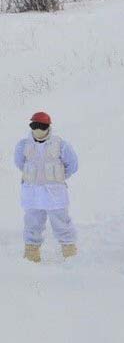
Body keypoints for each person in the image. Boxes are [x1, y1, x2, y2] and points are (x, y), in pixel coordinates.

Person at [15, 111, 78, 262]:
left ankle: (69, 252)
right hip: (32, 193)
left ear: (48, 127)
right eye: (34, 125)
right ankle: (31, 254)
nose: (38, 129)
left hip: (54, 193)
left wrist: (57, 178)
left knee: (61, 222)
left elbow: (72, 164)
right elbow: (19, 163)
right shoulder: (23, 145)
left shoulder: (61, 144)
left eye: (41, 126)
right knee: (32, 222)